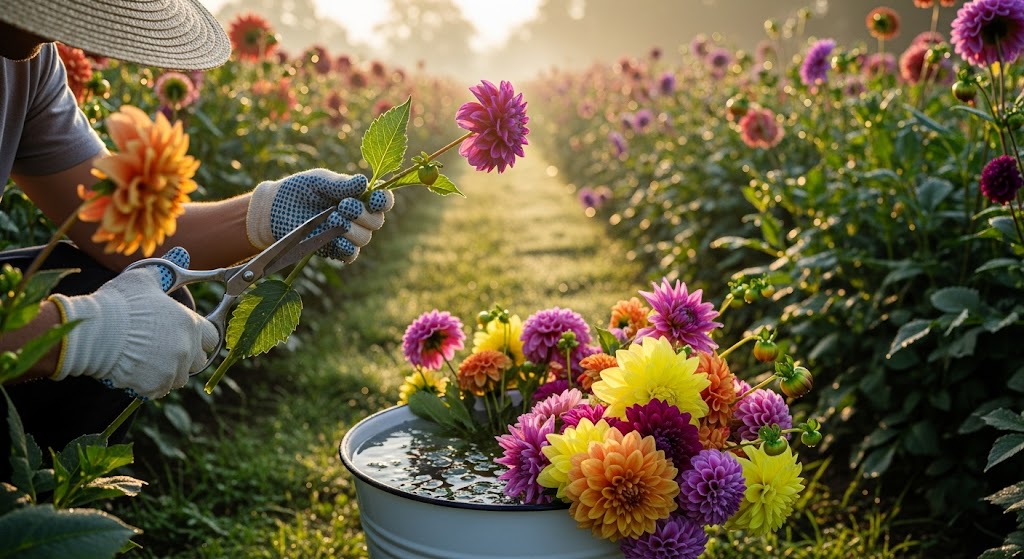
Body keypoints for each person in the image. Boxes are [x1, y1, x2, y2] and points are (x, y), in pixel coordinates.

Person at [0, 0, 395, 473]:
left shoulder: (27, 62)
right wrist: (79, 335)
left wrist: (263, 217)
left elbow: (114, 229)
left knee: (106, 282)